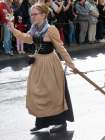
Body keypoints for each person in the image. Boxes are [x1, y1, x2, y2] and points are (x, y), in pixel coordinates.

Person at [8, 3, 78, 132]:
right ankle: (41, 123)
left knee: (52, 93)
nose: (32, 17)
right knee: (38, 92)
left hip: (51, 63)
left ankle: (60, 123)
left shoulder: (51, 29)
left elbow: (61, 49)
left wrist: (71, 65)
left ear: (44, 15)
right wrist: (13, 29)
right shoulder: (34, 28)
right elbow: (27, 39)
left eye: (35, 14)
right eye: (31, 14)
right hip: (38, 63)